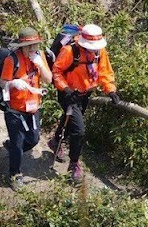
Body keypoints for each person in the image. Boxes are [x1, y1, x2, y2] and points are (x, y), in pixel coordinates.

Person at [51, 23, 119, 185]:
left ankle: (55, 141)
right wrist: (66, 90)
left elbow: (105, 72)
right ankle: (74, 164)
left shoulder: (100, 52)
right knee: (79, 130)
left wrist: (110, 90)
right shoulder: (70, 51)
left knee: (72, 122)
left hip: (85, 94)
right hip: (69, 94)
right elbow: (57, 71)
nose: (93, 50)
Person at [0, 28, 52, 190]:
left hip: (33, 107)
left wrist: (40, 65)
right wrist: (13, 83)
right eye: (29, 46)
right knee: (18, 142)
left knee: (34, 139)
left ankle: (14, 149)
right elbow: (3, 82)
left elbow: (48, 80)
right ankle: (15, 174)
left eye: (35, 45)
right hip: (14, 109)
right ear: (21, 46)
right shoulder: (12, 59)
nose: (32, 49)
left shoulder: (39, 56)